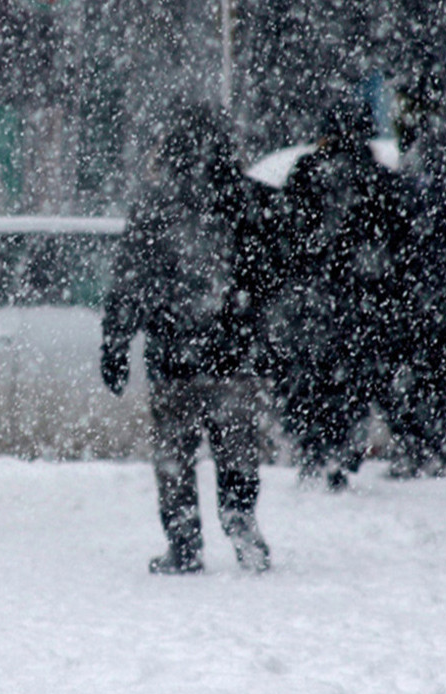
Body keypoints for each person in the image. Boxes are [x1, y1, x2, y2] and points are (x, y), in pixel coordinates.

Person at [100, 103, 271, 575]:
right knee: (236, 452)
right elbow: (271, 278)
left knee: (174, 458)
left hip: (173, 355)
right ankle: (240, 521)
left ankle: (183, 543)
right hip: (233, 355)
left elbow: (129, 282)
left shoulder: (154, 205)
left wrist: (115, 343)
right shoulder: (248, 201)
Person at [273, 96, 410, 490]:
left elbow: (285, 234)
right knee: (354, 383)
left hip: (313, 300)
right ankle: (343, 454)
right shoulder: (380, 178)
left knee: (309, 379)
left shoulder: (306, 172)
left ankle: (312, 450)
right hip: (365, 301)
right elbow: (400, 244)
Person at [392, 72, 446, 478]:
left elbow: (428, 211)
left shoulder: (436, 146)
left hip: (430, 279)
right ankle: (431, 446)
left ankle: (429, 447)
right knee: (432, 363)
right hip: (436, 277)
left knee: (429, 364)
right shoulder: (440, 143)